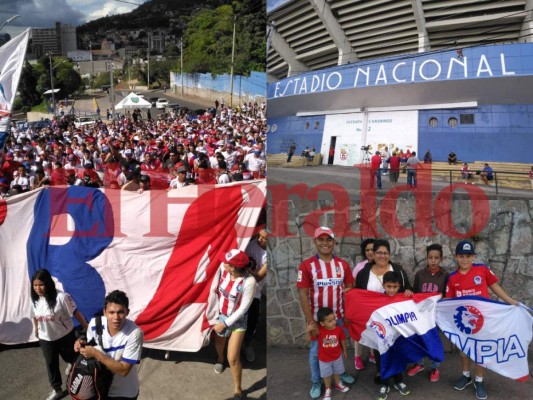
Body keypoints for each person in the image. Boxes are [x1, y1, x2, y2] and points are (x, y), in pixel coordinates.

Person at [446, 240, 519, 400]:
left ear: (473, 256)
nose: (465, 259)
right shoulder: (452, 278)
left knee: (480, 351)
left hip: (483, 321)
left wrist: (511, 301)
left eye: (468, 256)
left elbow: (495, 287)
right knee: (464, 350)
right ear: (456, 257)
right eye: (461, 256)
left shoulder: (482, 270)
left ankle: (479, 380)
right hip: (464, 324)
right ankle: (466, 376)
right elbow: (448, 302)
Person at [297, 226, 355, 399]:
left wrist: (347, 315)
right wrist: (310, 321)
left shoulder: (342, 265)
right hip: (318, 321)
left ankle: (340, 373)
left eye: (328, 239)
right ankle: (317, 381)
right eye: (320, 239)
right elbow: (303, 293)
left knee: (337, 348)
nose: (325, 243)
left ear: (334, 242)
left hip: (338, 318)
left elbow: (350, 288)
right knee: (316, 352)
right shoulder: (307, 266)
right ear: (315, 242)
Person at [355, 239, 412, 387]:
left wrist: (408, 291)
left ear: (389, 254)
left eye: (385, 253)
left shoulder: (398, 270)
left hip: (395, 321)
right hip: (375, 321)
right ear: (373, 254)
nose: (382, 256)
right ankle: (382, 373)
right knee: (379, 349)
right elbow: (358, 295)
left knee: (397, 348)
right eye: (379, 252)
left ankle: (397, 375)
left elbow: (408, 289)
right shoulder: (364, 273)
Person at [74, 290, 144, 400]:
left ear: (127, 312)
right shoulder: (94, 324)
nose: (116, 317)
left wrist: (95, 353)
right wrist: (81, 342)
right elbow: (91, 343)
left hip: (124, 393)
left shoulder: (135, 333)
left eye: (120, 312)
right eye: (111, 312)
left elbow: (123, 370)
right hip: (100, 388)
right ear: (105, 312)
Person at [31, 269, 88, 400]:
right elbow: (34, 315)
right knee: (51, 364)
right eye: (35, 285)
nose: (38, 288)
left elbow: (75, 312)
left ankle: (75, 374)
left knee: (72, 358)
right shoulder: (34, 300)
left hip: (64, 335)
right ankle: (57, 389)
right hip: (46, 338)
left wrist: (86, 326)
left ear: (48, 284)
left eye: (41, 285)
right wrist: (36, 329)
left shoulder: (61, 297)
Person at [213, 249, 257, 400]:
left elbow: (244, 309)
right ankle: (220, 359)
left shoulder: (250, 281)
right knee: (219, 343)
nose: (223, 262)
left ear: (233, 267)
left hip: (237, 321)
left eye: (227, 261)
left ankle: (238, 389)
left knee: (233, 358)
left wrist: (224, 324)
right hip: (220, 316)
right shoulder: (223, 269)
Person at [407, 244, 449, 382]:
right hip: (421, 315)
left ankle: (435, 367)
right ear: (426, 258)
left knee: (433, 341)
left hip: (436, 316)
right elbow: (415, 293)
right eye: (430, 257)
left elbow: (447, 295)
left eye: (436, 258)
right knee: (419, 339)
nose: (433, 260)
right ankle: (419, 364)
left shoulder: (445, 275)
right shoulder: (420, 274)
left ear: (441, 259)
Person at [373, 271, 412, 400]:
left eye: (395, 287)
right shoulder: (376, 300)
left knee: (397, 358)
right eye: (389, 286)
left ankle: (398, 381)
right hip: (381, 338)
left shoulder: (403, 299)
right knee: (381, 360)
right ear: (383, 286)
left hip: (397, 337)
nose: (391, 290)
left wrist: (410, 295)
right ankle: (384, 383)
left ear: (399, 286)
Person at [307, 307, 350, 400]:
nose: (333, 322)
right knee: (326, 375)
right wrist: (308, 331)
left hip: (337, 357)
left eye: (334, 319)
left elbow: (342, 340)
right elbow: (309, 340)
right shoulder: (319, 331)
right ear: (322, 323)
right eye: (330, 321)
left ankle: (338, 384)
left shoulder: (338, 329)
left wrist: (345, 351)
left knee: (337, 372)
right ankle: (328, 389)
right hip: (324, 359)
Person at [352, 238, 376, 370]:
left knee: (375, 329)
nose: (370, 252)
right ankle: (357, 356)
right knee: (359, 331)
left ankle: (373, 354)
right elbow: (353, 286)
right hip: (362, 306)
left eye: (372, 249)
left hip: (376, 306)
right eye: (367, 250)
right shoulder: (360, 267)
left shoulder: (382, 265)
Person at [244, 229, 268, 363]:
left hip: (254, 292)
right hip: (239, 289)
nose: (259, 239)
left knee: (252, 321)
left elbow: (258, 277)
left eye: (264, 238)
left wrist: (245, 269)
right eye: (259, 235)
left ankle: (247, 345)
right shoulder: (250, 243)